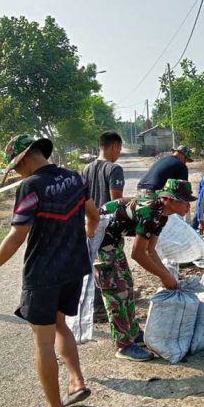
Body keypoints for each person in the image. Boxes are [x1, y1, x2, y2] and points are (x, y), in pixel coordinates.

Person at [0, 135, 99, 407]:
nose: (17, 171)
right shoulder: (74, 178)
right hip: (73, 268)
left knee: (42, 341)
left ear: (27, 156)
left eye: (16, 165)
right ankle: (77, 382)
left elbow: (17, 234)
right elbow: (92, 215)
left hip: (43, 275)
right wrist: (86, 237)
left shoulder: (31, 186)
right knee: (60, 324)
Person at [95, 179, 196, 362]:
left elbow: (151, 250)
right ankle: (123, 345)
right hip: (98, 237)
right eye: (184, 201)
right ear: (169, 200)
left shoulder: (162, 215)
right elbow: (137, 254)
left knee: (127, 283)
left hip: (113, 238)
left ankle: (133, 333)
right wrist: (164, 276)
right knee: (116, 290)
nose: (188, 206)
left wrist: (167, 275)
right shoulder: (150, 212)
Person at [81, 131, 125, 322]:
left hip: (90, 224)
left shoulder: (85, 169)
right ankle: (101, 308)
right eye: (120, 149)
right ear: (114, 146)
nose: (119, 153)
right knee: (110, 269)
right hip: (107, 226)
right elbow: (116, 202)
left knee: (94, 265)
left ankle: (94, 305)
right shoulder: (114, 169)